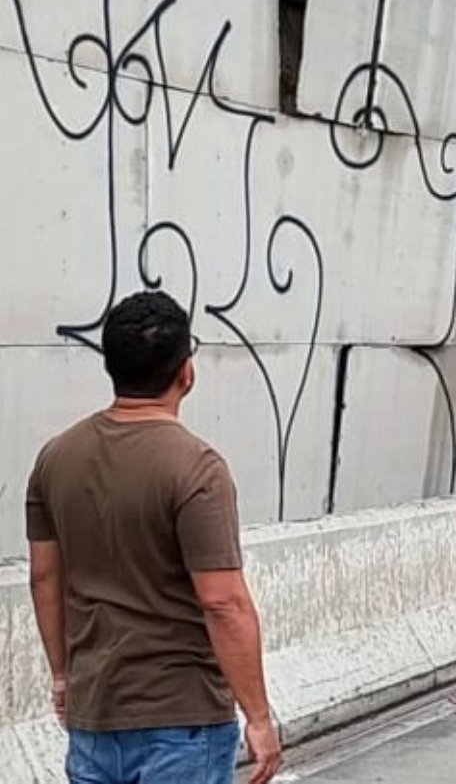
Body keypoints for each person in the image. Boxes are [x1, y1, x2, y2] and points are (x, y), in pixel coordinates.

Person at [25, 291, 281, 784]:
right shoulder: (198, 469)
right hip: (183, 721)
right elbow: (223, 602)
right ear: (187, 372)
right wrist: (259, 717)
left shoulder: (55, 459)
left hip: (93, 718)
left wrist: (62, 675)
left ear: (111, 366)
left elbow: (44, 579)